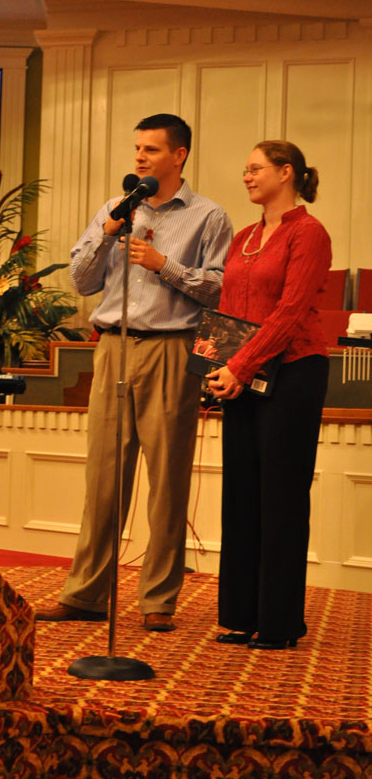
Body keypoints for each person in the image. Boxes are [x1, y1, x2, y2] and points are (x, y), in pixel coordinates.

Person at [36, 114, 233, 632]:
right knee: (103, 477)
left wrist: (162, 263)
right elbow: (80, 282)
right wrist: (106, 235)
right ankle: (85, 594)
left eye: (151, 149)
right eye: (138, 149)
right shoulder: (114, 209)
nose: (140, 157)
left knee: (166, 480)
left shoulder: (209, 217)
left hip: (172, 350)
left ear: (179, 155)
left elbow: (219, 291)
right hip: (113, 349)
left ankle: (158, 600)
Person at [206, 140, 331, 650]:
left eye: (255, 169)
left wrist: (238, 366)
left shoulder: (310, 232)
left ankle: (278, 622)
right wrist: (214, 368)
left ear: (287, 173)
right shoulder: (244, 236)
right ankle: (241, 615)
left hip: (294, 371)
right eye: (245, 169)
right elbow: (228, 306)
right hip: (242, 375)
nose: (246, 176)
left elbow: (290, 311)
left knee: (280, 498)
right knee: (241, 494)